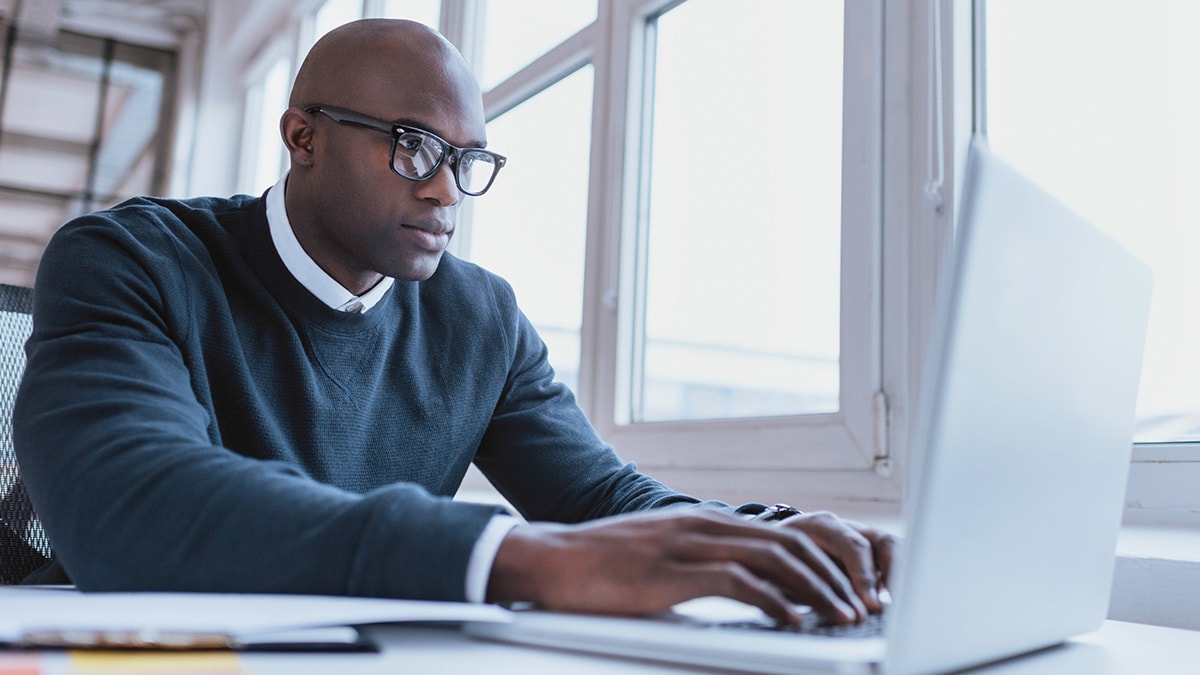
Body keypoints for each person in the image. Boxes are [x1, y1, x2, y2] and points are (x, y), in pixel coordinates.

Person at [13, 18, 894, 627]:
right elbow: (129, 505)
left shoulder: (482, 318)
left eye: (467, 159)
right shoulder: (130, 259)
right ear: (302, 136)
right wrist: (517, 557)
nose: (443, 187)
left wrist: (770, 535)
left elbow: (598, 501)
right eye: (413, 145)